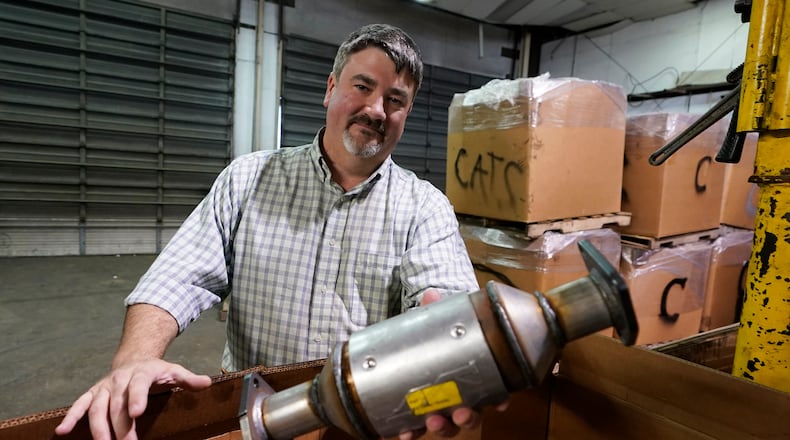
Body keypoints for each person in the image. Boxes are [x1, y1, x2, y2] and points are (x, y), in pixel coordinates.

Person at [55, 23, 486, 440]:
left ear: (406, 112)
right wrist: (135, 360)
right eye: (362, 86)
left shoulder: (425, 206)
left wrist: (448, 342)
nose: (376, 109)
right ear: (330, 88)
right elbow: (179, 275)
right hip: (250, 412)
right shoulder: (249, 178)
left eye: (395, 99)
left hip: (364, 418)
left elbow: (444, 298)